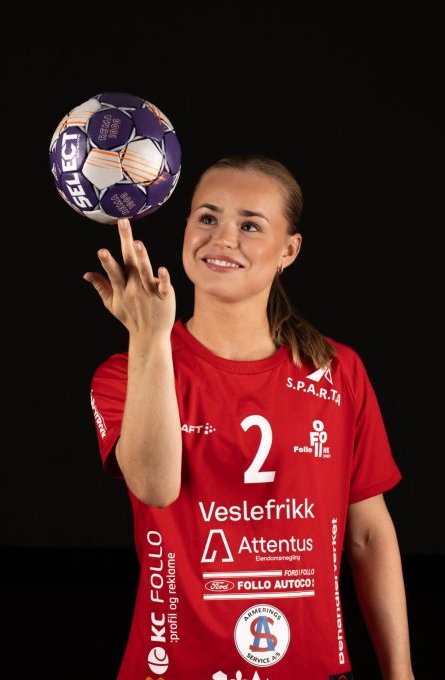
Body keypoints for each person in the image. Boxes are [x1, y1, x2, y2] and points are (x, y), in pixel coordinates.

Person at [84, 153, 415, 680]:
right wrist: (149, 337)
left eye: (250, 225)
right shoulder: (127, 371)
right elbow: (155, 487)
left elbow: (369, 536)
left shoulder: (336, 371)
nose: (222, 238)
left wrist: (401, 674)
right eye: (207, 217)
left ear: (289, 251)